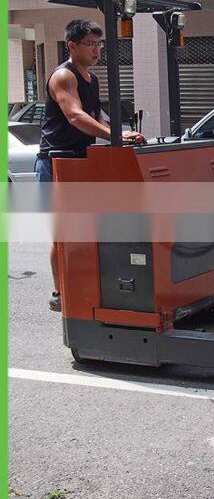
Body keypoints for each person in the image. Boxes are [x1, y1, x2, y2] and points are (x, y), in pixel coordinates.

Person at [37, 19, 144, 311]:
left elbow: (96, 117)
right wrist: (115, 136)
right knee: (64, 234)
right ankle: (60, 294)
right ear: (72, 46)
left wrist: (123, 133)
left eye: (99, 45)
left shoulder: (90, 79)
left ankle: (86, 287)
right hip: (56, 161)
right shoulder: (64, 76)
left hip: (81, 160)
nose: (96, 50)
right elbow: (75, 115)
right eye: (90, 44)